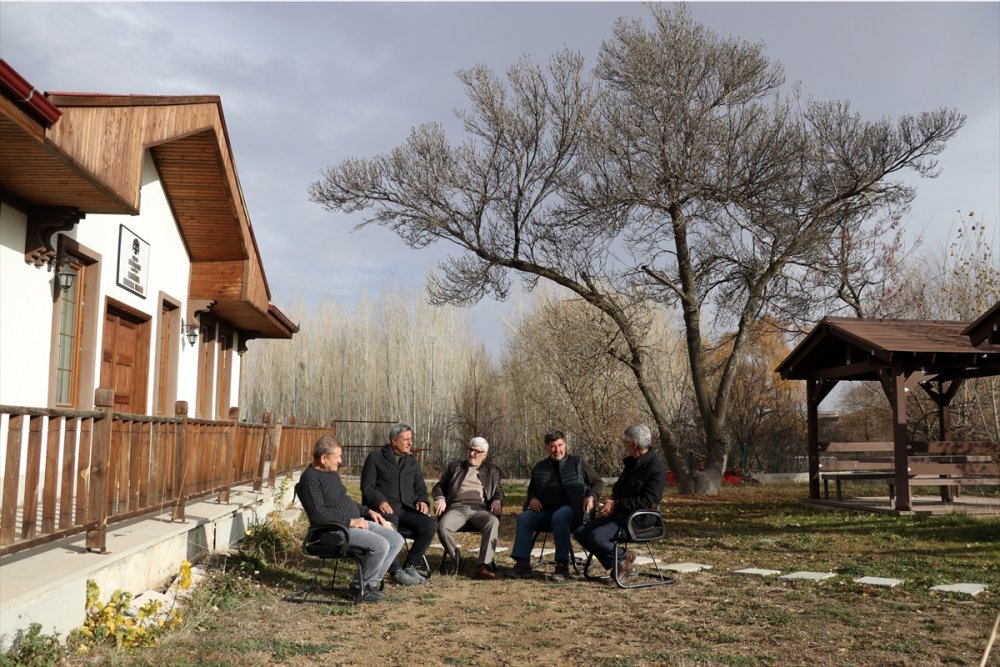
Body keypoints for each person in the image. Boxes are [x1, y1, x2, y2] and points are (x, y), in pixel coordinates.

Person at [298, 435, 404, 604]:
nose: (340, 461)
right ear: (324, 458)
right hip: (333, 531)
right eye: (338, 457)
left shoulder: (330, 474)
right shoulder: (310, 480)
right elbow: (319, 515)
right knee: (381, 545)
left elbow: (344, 501)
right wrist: (351, 522)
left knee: (396, 539)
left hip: (354, 523)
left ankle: (368, 584)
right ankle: (359, 587)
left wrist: (369, 511)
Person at [573, 424, 666, 586]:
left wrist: (616, 504)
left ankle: (622, 560)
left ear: (634, 444)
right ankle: (622, 558)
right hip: (620, 514)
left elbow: (648, 501)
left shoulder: (656, 468)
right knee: (581, 532)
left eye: (625, 441)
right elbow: (619, 490)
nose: (624, 444)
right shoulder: (632, 464)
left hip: (639, 519)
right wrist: (608, 503)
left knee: (596, 536)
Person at [508, 430, 604, 580]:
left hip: (573, 509)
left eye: (560, 445)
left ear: (565, 444)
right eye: (552, 446)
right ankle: (522, 564)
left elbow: (597, 482)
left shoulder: (577, 463)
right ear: (546, 448)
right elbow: (532, 489)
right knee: (524, 518)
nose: (557, 450)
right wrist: (532, 498)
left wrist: (591, 496)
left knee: (560, 516)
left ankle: (562, 565)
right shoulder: (540, 466)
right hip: (545, 511)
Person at [361, 423, 435, 586]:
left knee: (429, 525)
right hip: (383, 511)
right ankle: (395, 571)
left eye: (411, 439)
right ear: (394, 440)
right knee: (390, 523)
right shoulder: (376, 458)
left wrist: (422, 500)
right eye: (406, 439)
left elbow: (421, 489)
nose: (410, 443)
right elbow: (367, 487)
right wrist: (379, 500)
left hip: (406, 509)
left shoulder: (412, 462)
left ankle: (411, 566)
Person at [431, 437, 504, 580]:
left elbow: (498, 491)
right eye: (470, 449)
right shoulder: (455, 467)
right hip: (457, 508)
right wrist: (440, 498)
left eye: (477, 451)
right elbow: (439, 486)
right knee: (444, 525)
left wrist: (497, 500)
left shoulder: (493, 471)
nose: (472, 454)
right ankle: (457, 560)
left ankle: (483, 566)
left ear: (485, 455)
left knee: (493, 522)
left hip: (480, 509)